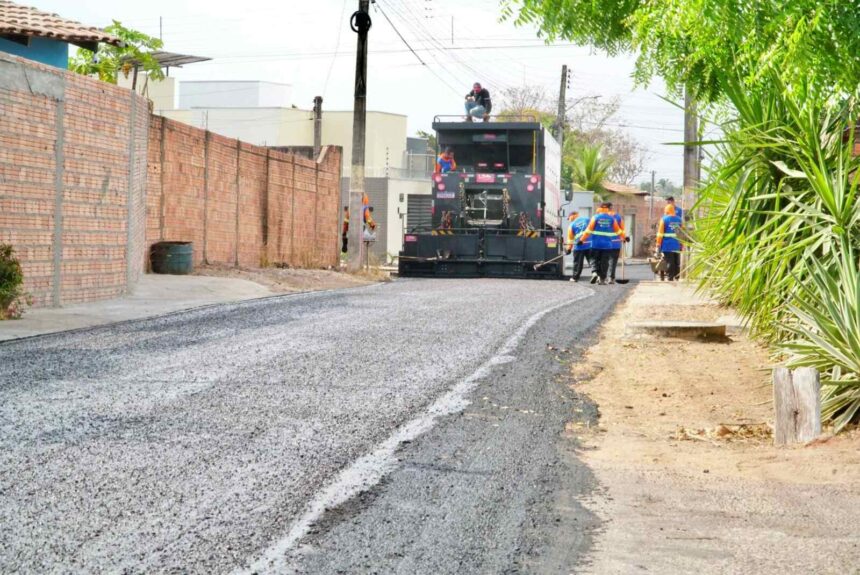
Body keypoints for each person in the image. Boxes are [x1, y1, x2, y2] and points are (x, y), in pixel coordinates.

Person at [579, 202, 628, 284]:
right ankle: (602, 279)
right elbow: (619, 231)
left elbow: (588, 231)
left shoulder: (595, 217)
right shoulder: (613, 219)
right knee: (605, 262)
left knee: (594, 259)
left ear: (600, 208)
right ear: (609, 208)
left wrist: (582, 240)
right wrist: (625, 237)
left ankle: (595, 273)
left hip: (595, 244)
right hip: (608, 245)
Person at [655, 204, 683, 281]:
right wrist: (681, 244)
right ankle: (677, 277)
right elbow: (681, 233)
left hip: (667, 245)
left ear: (666, 211)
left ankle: (670, 277)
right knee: (676, 261)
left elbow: (660, 234)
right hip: (676, 245)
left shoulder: (664, 219)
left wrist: (658, 244)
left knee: (669, 261)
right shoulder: (679, 220)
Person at [564, 211, 592, 282]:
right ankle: (598, 276)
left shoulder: (572, 225)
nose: (569, 220)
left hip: (579, 247)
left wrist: (568, 249)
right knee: (593, 261)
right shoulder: (587, 219)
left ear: (573, 215)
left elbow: (570, 239)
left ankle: (575, 277)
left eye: (569, 218)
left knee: (578, 263)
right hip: (590, 244)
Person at [606, 202, 625, 284]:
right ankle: (611, 277)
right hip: (615, 243)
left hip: (604, 243)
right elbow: (622, 229)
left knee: (604, 261)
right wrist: (624, 238)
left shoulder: (600, 217)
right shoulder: (617, 217)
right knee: (613, 261)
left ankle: (603, 277)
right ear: (611, 207)